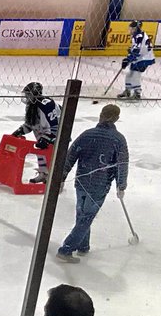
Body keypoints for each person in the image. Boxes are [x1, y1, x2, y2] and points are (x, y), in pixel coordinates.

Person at [55, 105, 129, 263]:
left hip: (81, 181)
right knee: (87, 217)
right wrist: (121, 185)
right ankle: (66, 249)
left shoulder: (87, 135)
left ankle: (83, 246)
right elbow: (122, 164)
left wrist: (61, 177)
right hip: (100, 184)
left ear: (101, 115)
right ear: (116, 118)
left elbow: (70, 156)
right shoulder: (118, 139)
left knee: (82, 214)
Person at [12, 82, 60, 184]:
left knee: (53, 153)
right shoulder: (31, 106)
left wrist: (47, 138)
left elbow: (54, 126)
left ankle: (55, 178)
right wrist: (20, 131)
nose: (26, 97)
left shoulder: (45, 105)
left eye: (28, 94)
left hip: (58, 132)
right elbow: (31, 124)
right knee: (40, 150)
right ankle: (44, 173)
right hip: (44, 132)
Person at [118, 20, 154, 101]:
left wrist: (128, 59)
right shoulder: (138, 35)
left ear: (136, 28)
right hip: (139, 58)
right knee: (129, 74)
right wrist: (130, 54)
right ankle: (127, 91)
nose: (130, 30)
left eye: (132, 28)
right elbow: (136, 49)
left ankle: (137, 94)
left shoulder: (139, 36)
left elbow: (137, 50)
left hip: (144, 59)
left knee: (135, 75)